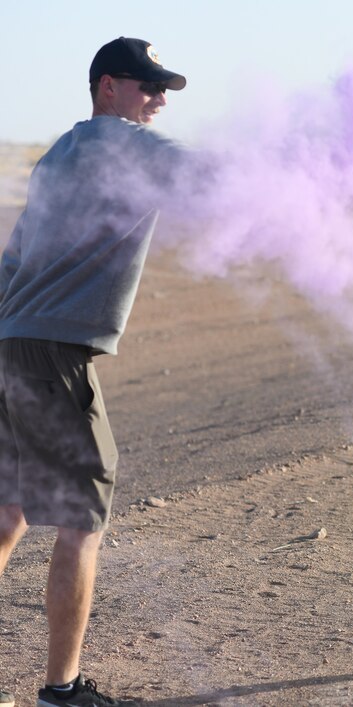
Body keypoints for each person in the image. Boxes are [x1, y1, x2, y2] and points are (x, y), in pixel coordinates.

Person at [0, 37, 188, 707]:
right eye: (148, 85)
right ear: (108, 86)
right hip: (54, 352)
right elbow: (219, 180)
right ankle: (62, 692)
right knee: (81, 521)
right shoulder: (127, 145)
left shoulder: (58, 154)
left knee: (9, 507)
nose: (160, 99)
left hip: (11, 339)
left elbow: (16, 254)